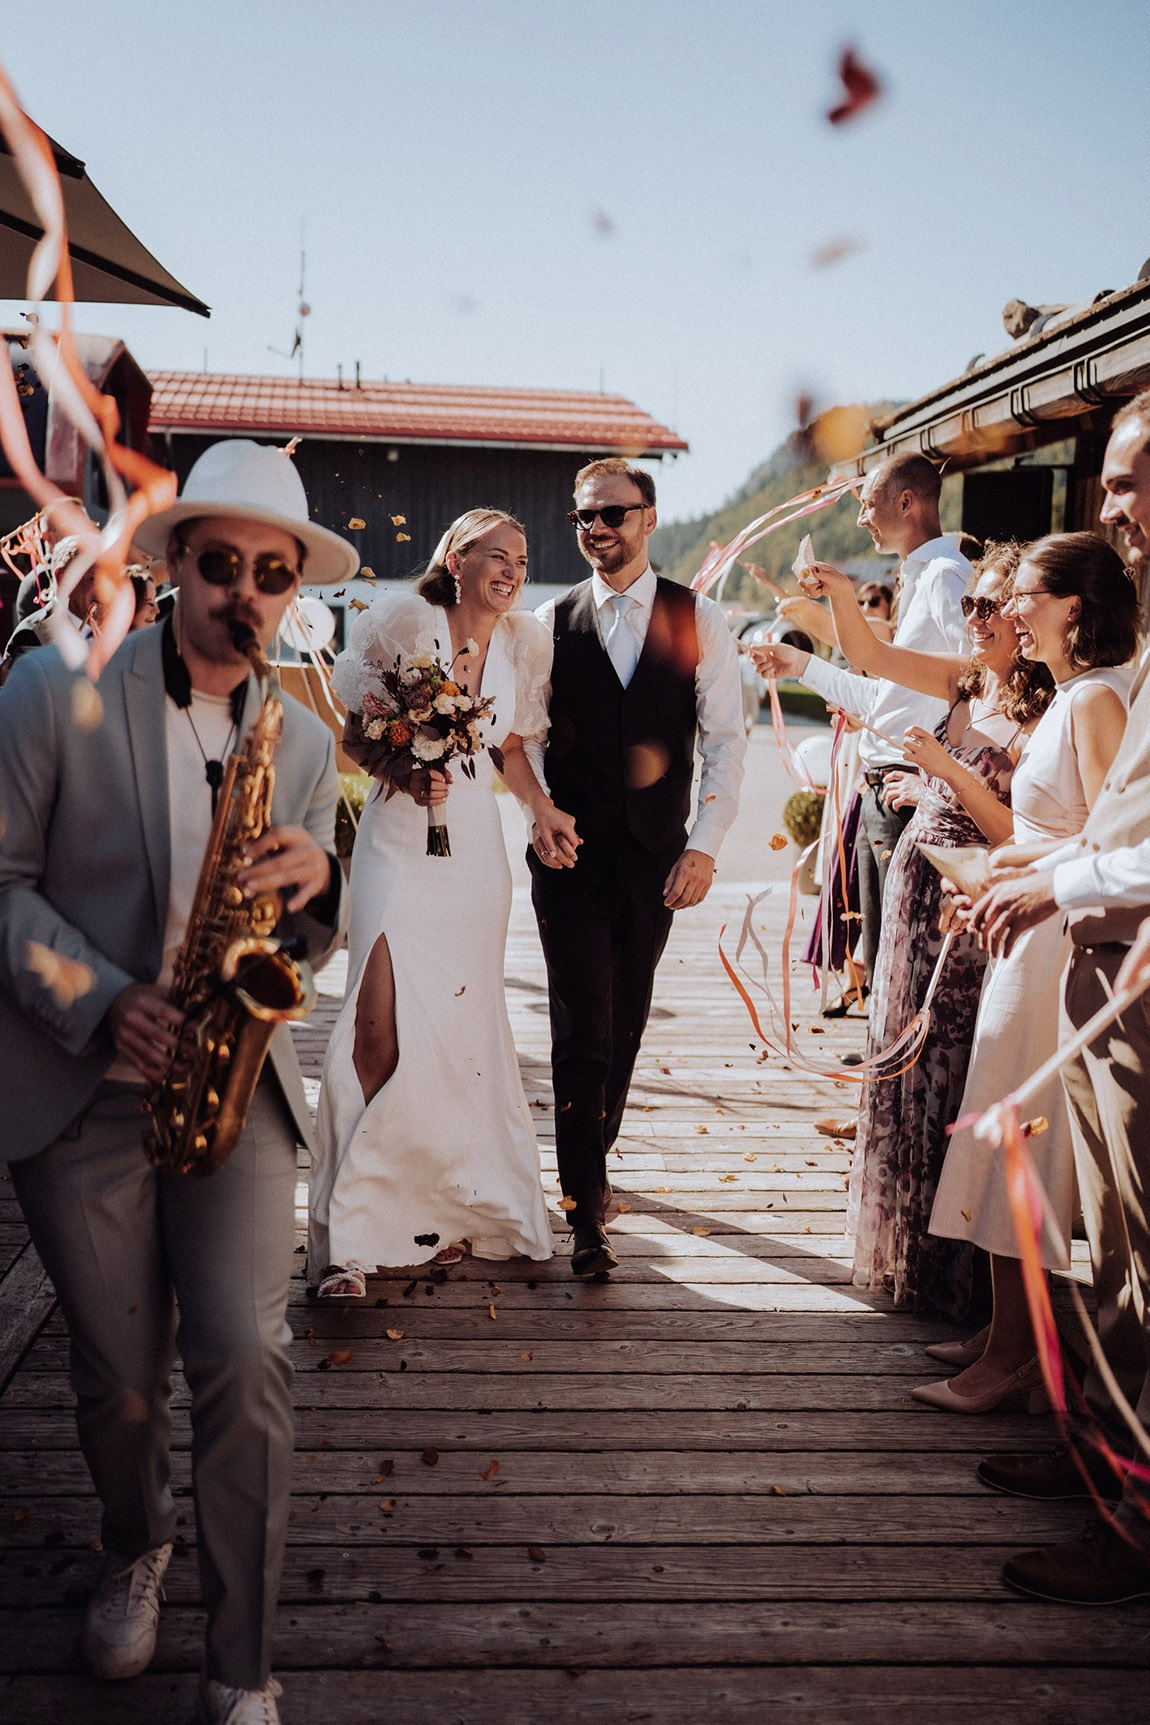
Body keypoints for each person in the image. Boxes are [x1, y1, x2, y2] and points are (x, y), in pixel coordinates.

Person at [0, 438, 355, 1722]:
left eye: (274, 574)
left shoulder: (298, 740)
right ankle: (133, 1540)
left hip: (230, 1083)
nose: (247, 593)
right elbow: (2, 890)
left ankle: (243, 1669)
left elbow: (309, 933)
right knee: (120, 1377)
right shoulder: (53, 692)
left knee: (249, 1356)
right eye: (223, 564)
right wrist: (102, 1003)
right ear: (171, 567)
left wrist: (315, 893)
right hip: (79, 1084)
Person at [962, 394, 1150, 1603]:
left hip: (1129, 956)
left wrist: (1057, 877)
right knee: (1109, 1238)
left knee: (1142, 1257)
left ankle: (1131, 1523)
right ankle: (1102, 1457)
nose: (1110, 503)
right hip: (1103, 955)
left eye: (1132, 479)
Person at [309, 509, 575, 1296]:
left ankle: (434, 1208)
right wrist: (398, 771)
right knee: (376, 1022)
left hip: (473, 855)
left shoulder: (522, 642)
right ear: (456, 558)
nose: (514, 571)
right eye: (499, 556)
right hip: (399, 844)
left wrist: (541, 810)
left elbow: (511, 749)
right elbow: (353, 725)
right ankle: (346, 1238)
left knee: (458, 1030)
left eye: (523, 560)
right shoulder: (404, 617)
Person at [787, 544, 1048, 1316]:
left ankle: (955, 1275)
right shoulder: (963, 684)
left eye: (988, 606)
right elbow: (867, 654)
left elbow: (1014, 829)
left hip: (968, 906)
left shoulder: (1042, 711)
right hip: (913, 885)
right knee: (902, 1057)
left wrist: (946, 769)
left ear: (1022, 619)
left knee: (951, 1068)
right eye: (968, 604)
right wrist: (833, 591)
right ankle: (904, 1250)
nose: (972, 617)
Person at [912, 532, 1136, 1408]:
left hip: (1057, 952)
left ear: (1073, 607)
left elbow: (1116, 840)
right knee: (1005, 1139)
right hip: (1027, 934)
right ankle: (1003, 1338)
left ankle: (1017, 1363)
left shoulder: (1093, 705)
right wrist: (996, 873)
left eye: (1025, 596)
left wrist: (1017, 872)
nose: (1007, 611)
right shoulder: (1078, 696)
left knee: (1023, 1151)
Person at [527, 458, 745, 1275]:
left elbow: (726, 740)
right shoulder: (549, 621)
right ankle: (586, 1207)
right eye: (584, 517)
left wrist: (706, 843)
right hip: (570, 857)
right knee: (581, 1026)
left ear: (649, 518)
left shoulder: (699, 619)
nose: (596, 530)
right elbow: (525, 738)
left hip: (655, 859)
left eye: (612, 514)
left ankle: (596, 1151)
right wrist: (539, 812)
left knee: (624, 1020)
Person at [756, 455, 973, 987]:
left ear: (907, 501)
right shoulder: (917, 577)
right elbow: (884, 699)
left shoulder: (946, 578)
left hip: (910, 786)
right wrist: (803, 665)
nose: (860, 519)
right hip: (878, 789)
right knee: (880, 954)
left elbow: (977, 682)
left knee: (908, 959)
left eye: (869, 504)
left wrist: (945, 775)